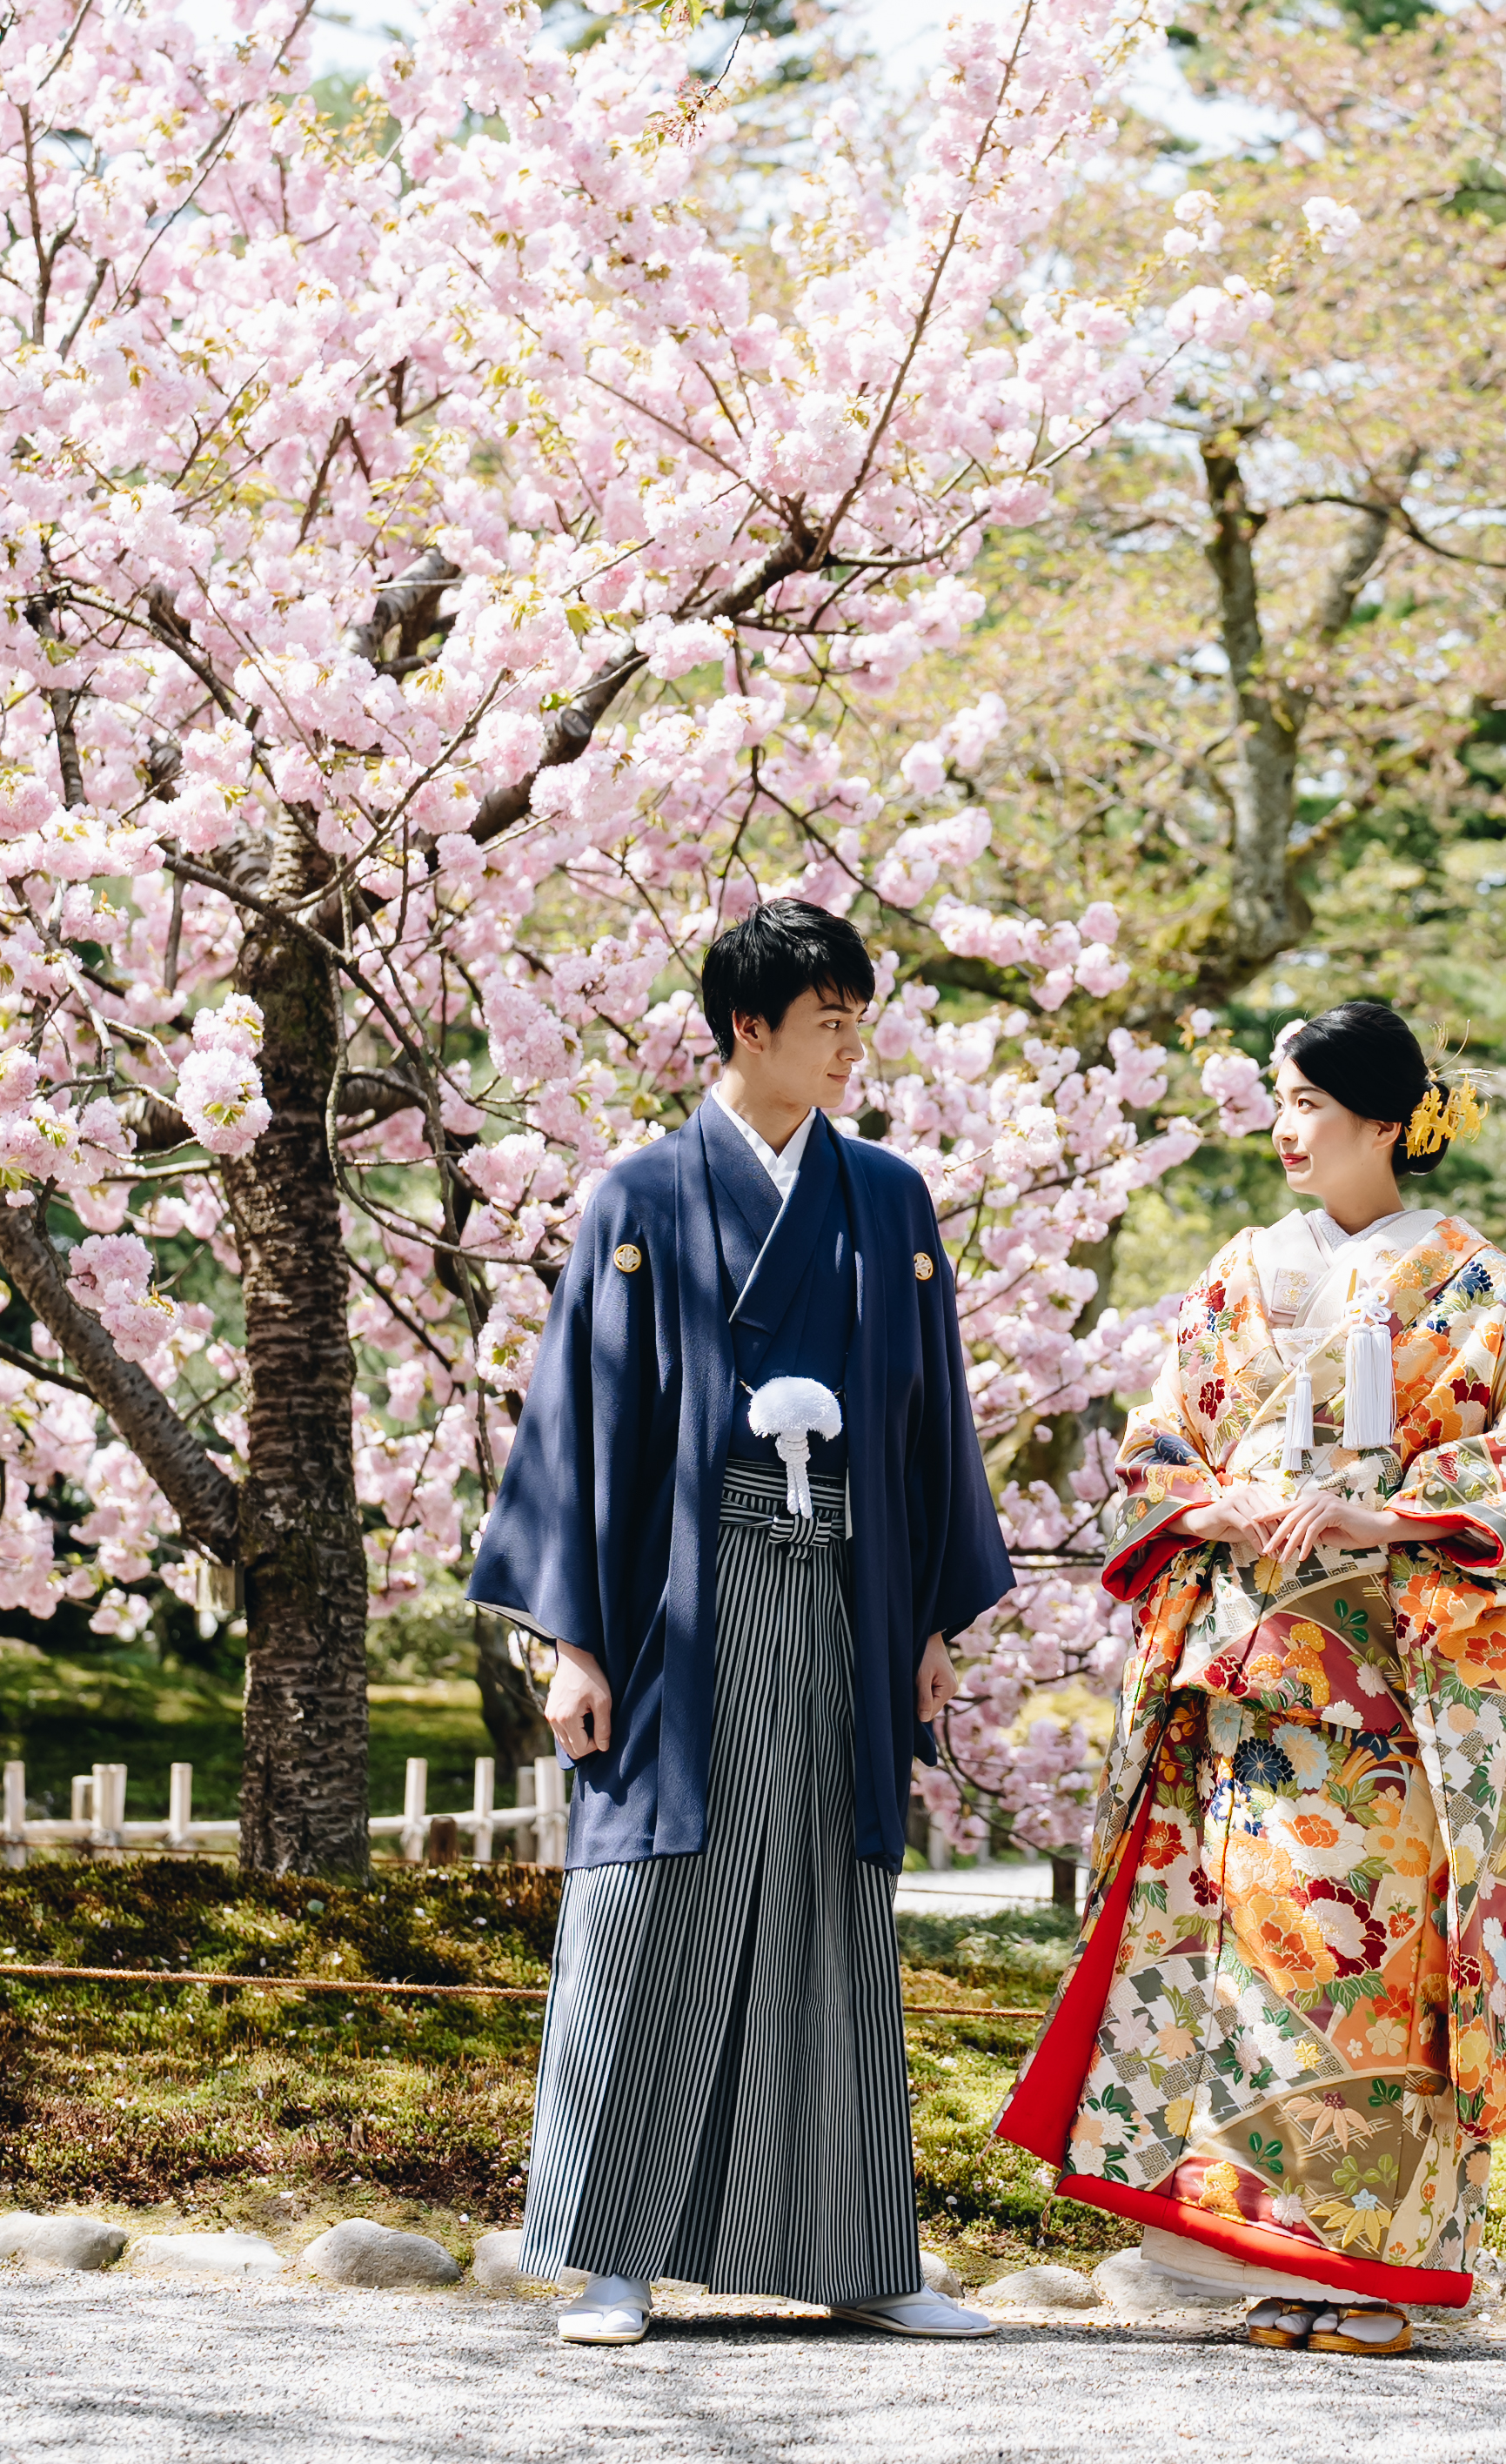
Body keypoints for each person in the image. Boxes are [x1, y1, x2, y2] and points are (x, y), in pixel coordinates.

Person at [998, 1001, 1506, 2355]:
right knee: (1263, 1975)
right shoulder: (1237, 1274)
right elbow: (1159, 1443)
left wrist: (1384, 1518)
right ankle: (1280, 2251)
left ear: (1385, 1122)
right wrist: (1212, 1510)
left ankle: (1386, 2270)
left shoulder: (1468, 1276)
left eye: (1311, 1102)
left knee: (1379, 1974)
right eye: (1279, 1097)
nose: (1285, 1124)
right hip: (1256, 1680)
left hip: (1390, 1687)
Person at [468, 899, 1009, 2348]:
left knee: (830, 1910)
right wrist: (569, 1640)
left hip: (842, 1593)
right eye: (826, 1016)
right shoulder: (641, 1194)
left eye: (857, 1015)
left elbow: (924, 1418)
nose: (850, 1041)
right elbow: (581, 1422)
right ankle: (613, 2257)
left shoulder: (887, 1196)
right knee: (654, 1904)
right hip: (676, 1607)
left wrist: (929, 1614)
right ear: (750, 1028)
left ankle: (860, 2255)